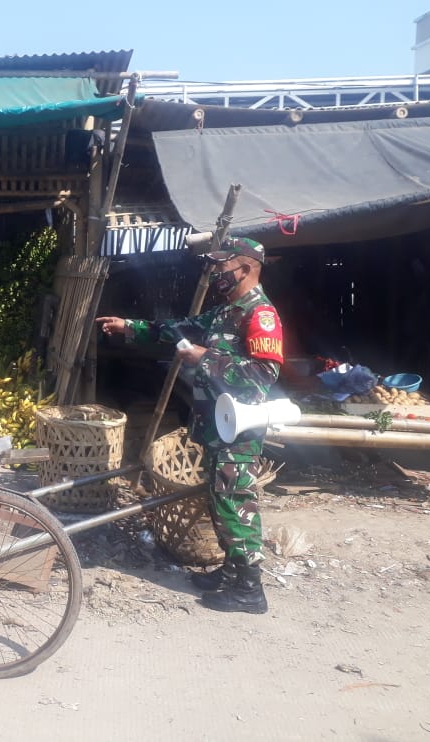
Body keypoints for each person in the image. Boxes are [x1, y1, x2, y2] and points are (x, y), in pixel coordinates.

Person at [96, 237, 283, 614]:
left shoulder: (260, 314)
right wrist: (130, 327)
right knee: (219, 499)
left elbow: (264, 374)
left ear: (245, 268)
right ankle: (231, 570)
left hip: (239, 431)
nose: (215, 272)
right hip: (217, 426)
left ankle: (250, 589)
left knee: (236, 503)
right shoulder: (225, 312)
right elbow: (179, 329)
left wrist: (205, 358)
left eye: (221, 266)